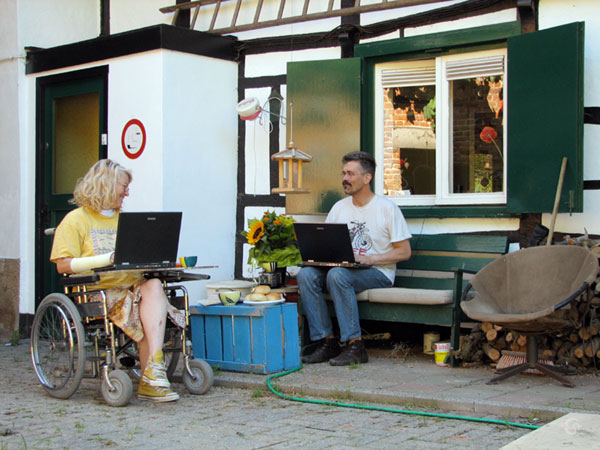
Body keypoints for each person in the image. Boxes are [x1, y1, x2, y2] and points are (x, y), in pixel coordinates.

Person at [50, 159, 184, 402]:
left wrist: (160, 260)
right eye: (124, 186)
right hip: (99, 292)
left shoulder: (128, 220)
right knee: (147, 304)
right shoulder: (75, 220)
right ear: (107, 185)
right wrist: (105, 259)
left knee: (154, 285)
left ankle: (152, 372)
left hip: (133, 289)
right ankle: (151, 377)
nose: (127, 192)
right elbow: (63, 265)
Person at [297, 151, 412, 366]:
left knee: (338, 275)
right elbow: (327, 245)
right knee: (306, 275)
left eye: (350, 174)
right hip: (343, 270)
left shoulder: (387, 209)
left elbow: (404, 252)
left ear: (367, 178)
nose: (345, 179)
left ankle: (355, 346)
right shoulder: (339, 208)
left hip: (378, 272)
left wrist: (370, 259)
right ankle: (327, 342)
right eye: (343, 173)